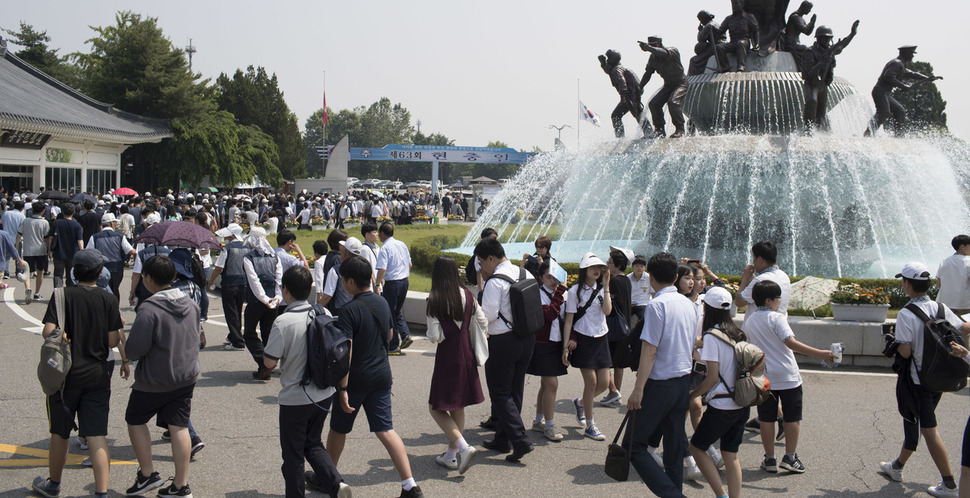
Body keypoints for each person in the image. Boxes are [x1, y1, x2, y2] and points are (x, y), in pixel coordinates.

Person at [30, 249, 127, 498]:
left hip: (65, 376)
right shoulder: (108, 300)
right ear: (99, 272)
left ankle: (53, 485)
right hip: (97, 373)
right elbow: (112, 341)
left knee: (60, 432)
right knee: (96, 434)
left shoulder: (61, 295)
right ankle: (101, 493)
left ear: (74, 271)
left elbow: (47, 332)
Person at [325, 256, 424, 497]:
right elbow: (390, 335)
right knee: (385, 429)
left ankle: (327, 477)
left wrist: (343, 388)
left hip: (356, 378)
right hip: (382, 374)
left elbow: (344, 351)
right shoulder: (382, 302)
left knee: (338, 428)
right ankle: (409, 484)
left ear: (349, 281)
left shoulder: (348, 310)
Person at [261, 266, 351, 498]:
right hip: (323, 393)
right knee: (313, 444)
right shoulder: (324, 313)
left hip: (295, 399)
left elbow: (269, 363)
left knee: (293, 454)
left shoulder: (283, 322)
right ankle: (337, 484)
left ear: (285, 290)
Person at [878, 262, 966, 497]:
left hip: (918, 381)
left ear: (907, 284)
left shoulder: (906, 314)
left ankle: (949, 485)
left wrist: (892, 339)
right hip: (939, 377)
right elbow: (963, 328)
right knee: (914, 420)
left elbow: (905, 352)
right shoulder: (940, 307)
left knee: (928, 429)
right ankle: (896, 466)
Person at [123, 255, 201, 497]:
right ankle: (180, 485)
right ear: (174, 276)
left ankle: (147, 474)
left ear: (147, 279)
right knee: (178, 426)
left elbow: (135, 350)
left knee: (135, 419)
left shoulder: (149, 309)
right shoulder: (190, 303)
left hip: (155, 379)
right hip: (186, 376)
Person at [625, 252, 697, 497]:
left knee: (633, 446)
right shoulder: (689, 304)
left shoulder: (657, 305)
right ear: (676, 277)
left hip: (660, 385)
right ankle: (674, 491)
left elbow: (649, 351)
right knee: (674, 449)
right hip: (682, 383)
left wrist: (638, 389)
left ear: (651, 277)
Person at [744, 280, 834, 474]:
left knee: (766, 419)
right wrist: (822, 354)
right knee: (792, 418)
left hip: (764, 376)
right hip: (787, 375)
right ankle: (790, 457)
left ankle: (769, 459)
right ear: (768, 300)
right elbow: (790, 343)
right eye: (777, 297)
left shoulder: (750, 320)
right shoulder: (777, 318)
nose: (780, 301)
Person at [476, 237, 536, 462]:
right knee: (515, 391)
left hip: (503, 342)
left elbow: (487, 316)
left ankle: (520, 441)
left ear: (491, 258)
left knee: (500, 393)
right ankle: (503, 440)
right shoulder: (525, 274)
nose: (481, 267)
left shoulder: (495, 282)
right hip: (527, 339)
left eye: (482, 262)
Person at [425, 256, 486, 474]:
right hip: (466, 354)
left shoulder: (435, 299)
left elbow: (435, 336)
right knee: (458, 404)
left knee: (436, 407)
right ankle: (451, 455)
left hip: (447, 356)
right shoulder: (468, 295)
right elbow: (483, 321)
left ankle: (463, 447)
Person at [688, 287, 749, 498]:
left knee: (696, 447)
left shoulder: (712, 336)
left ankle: (721, 495)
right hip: (742, 402)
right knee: (731, 455)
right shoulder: (738, 333)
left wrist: (694, 394)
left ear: (708, 308)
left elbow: (713, 377)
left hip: (722, 405)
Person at [528, 260, 569, 442]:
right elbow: (549, 314)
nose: (552, 281)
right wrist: (560, 292)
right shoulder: (538, 294)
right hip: (542, 344)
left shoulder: (563, 294)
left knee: (546, 385)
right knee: (552, 384)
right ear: (540, 278)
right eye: (548, 277)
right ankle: (549, 425)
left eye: (555, 277)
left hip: (555, 343)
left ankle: (538, 421)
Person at [867, 45, 940, 137]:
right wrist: (903, 86)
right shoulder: (896, 63)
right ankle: (868, 134)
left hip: (885, 93)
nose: (912, 56)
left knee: (900, 110)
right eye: (911, 54)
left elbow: (912, 74)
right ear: (905, 53)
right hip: (880, 92)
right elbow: (888, 77)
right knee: (883, 113)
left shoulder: (901, 65)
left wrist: (928, 78)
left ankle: (899, 136)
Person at [801, 22, 859, 132]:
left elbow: (842, 45)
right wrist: (822, 63)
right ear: (818, 38)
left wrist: (852, 34)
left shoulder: (830, 51)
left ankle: (820, 131)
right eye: (824, 38)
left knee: (822, 111)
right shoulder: (810, 51)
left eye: (829, 38)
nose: (827, 41)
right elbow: (810, 71)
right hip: (812, 83)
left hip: (822, 85)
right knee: (812, 101)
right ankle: (808, 129)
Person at [243, 227, 283, 381]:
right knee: (268, 333)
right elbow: (278, 279)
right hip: (273, 301)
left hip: (256, 301)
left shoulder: (249, 258)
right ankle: (267, 365)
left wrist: (264, 299)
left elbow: (254, 281)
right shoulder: (275, 257)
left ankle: (263, 363)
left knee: (249, 332)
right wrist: (276, 298)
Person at [207, 223, 249, 350]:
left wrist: (210, 282)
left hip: (229, 283)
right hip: (242, 283)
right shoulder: (247, 246)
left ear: (231, 235)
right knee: (237, 310)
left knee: (231, 313)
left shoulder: (228, 248)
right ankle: (234, 335)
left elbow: (219, 267)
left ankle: (237, 341)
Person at [600, 248, 633, 407]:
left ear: (618, 265)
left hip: (613, 327)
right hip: (624, 325)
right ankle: (616, 393)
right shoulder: (626, 279)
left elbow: (613, 305)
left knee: (603, 361)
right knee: (619, 363)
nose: (607, 264)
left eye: (610, 262)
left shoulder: (614, 281)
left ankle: (613, 392)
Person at [638, 36, 689, 138]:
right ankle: (659, 130)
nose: (652, 48)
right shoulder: (653, 58)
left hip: (680, 83)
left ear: (660, 44)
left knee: (673, 102)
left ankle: (680, 129)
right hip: (668, 85)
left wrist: (649, 48)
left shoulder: (672, 50)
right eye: (650, 46)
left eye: (654, 46)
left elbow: (664, 53)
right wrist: (640, 87)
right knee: (654, 104)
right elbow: (648, 73)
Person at [375, 223, 413, 353]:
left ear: (382, 233)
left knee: (390, 313)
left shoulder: (385, 248)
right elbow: (410, 264)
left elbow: (382, 269)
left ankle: (393, 345)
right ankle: (405, 334)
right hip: (404, 281)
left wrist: (377, 284)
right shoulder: (401, 244)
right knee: (396, 311)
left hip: (392, 284)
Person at [598, 49, 647, 139]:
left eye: (608, 58)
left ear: (612, 59)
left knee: (616, 115)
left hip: (628, 96)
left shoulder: (616, 70)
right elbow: (608, 70)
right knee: (638, 113)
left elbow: (622, 81)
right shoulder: (618, 68)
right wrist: (603, 63)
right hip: (631, 96)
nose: (607, 60)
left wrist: (624, 96)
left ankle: (620, 138)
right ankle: (649, 132)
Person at [735, 241, 791, 318]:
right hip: (778, 325)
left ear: (760, 260)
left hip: (759, 328)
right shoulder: (784, 276)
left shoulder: (760, 280)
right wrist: (753, 278)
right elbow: (766, 286)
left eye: (754, 258)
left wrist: (745, 279)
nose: (753, 262)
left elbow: (739, 302)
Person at [87, 212, 136, 300]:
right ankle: (115, 309)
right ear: (112, 223)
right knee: (114, 289)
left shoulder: (94, 237)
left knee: (102, 290)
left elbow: (89, 252)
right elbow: (131, 251)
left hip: (101, 268)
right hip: (117, 268)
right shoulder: (120, 237)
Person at [17, 200, 51, 304]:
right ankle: (36, 293)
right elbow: (47, 238)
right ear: (43, 211)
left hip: (28, 250)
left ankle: (28, 288)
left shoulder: (26, 221)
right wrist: (49, 250)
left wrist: (17, 248)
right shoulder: (45, 222)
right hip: (41, 250)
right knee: (40, 272)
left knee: (28, 272)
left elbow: (18, 235)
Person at [321, 237, 366, 314]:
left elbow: (327, 296)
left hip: (341, 312)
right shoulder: (364, 269)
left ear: (344, 252)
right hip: (361, 311)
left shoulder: (336, 270)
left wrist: (316, 309)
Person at [715, 0, 760, 72]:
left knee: (740, 43)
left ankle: (741, 66)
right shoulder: (728, 19)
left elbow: (755, 31)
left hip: (744, 41)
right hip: (732, 42)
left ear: (742, 4)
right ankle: (725, 67)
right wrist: (712, 27)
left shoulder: (749, 16)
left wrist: (757, 44)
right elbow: (720, 31)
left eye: (736, 3)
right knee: (719, 47)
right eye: (733, 3)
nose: (734, 5)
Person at [47, 202, 83, 289]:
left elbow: (50, 238)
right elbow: (80, 240)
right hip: (73, 253)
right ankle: (69, 292)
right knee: (70, 275)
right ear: (73, 212)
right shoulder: (76, 225)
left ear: (62, 212)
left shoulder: (56, 223)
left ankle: (58, 293)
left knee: (58, 274)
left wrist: (49, 249)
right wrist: (82, 251)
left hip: (58, 253)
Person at [937, 235, 970, 316]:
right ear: (962, 247)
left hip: (945, 306)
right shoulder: (968, 262)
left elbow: (938, 284)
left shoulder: (944, 261)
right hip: (965, 306)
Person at [688, 10, 725, 76]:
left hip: (715, 46)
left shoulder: (709, 26)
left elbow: (700, 38)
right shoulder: (715, 23)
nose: (701, 22)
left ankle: (693, 77)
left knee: (694, 60)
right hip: (720, 44)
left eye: (700, 20)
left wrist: (700, 31)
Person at [783, 1, 817, 69]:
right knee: (806, 50)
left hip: (796, 43)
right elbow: (804, 29)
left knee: (808, 51)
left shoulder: (801, 19)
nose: (810, 11)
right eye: (809, 8)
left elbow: (807, 33)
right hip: (791, 44)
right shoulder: (795, 17)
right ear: (804, 7)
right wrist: (811, 22)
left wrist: (813, 23)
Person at [628, 255, 652, 323]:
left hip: (643, 303)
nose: (639, 268)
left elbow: (653, 293)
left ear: (645, 267)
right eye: (637, 266)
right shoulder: (628, 278)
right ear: (632, 267)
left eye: (642, 266)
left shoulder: (649, 278)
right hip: (631, 304)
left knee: (643, 319)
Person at [311, 239, 329, 305]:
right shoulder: (329, 259)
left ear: (316, 252)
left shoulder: (318, 262)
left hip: (322, 291)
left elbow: (319, 279)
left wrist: (319, 295)